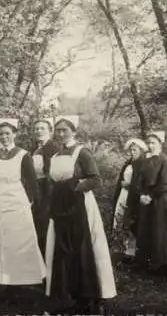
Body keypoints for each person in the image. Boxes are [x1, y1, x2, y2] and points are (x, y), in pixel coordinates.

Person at [45, 115, 116, 314]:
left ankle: (90, 297)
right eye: (57, 130)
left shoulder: (81, 152)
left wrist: (75, 188)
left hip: (79, 206)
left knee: (82, 248)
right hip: (61, 207)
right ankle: (73, 294)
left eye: (64, 130)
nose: (60, 134)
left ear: (74, 132)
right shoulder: (55, 156)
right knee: (64, 249)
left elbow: (95, 179)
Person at [0, 118, 45, 303]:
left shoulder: (23, 155)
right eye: (0, 133)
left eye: (7, 133)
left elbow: (32, 183)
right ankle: (4, 283)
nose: (3, 137)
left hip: (16, 204)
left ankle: (21, 285)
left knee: (18, 244)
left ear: (14, 135)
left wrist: (29, 203)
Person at [136, 131, 167, 275]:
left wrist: (150, 196)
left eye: (153, 143)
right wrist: (141, 195)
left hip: (161, 200)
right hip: (147, 199)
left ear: (160, 144)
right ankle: (148, 262)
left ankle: (164, 264)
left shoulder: (165, 160)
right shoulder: (145, 160)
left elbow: (165, 184)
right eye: (148, 143)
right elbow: (139, 180)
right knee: (148, 229)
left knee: (161, 230)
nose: (150, 146)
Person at [111, 138, 148, 262]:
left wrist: (130, 186)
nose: (132, 152)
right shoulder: (128, 163)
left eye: (135, 150)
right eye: (131, 150)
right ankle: (121, 249)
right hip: (123, 194)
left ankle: (131, 253)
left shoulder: (143, 164)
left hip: (134, 197)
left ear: (141, 151)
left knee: (131, 221)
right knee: (120, 218)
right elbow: (121, 179)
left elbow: (142, 184)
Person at [31, 117, 59, 254]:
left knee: (45, 220)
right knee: (35, 221)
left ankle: (46, 253)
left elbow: (53, 171)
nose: (39, 131)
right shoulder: (34, 148)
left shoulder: (53, 148)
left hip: (48, 190)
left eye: (42, 128)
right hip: (35, 189)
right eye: (36, 129)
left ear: (50, 131)